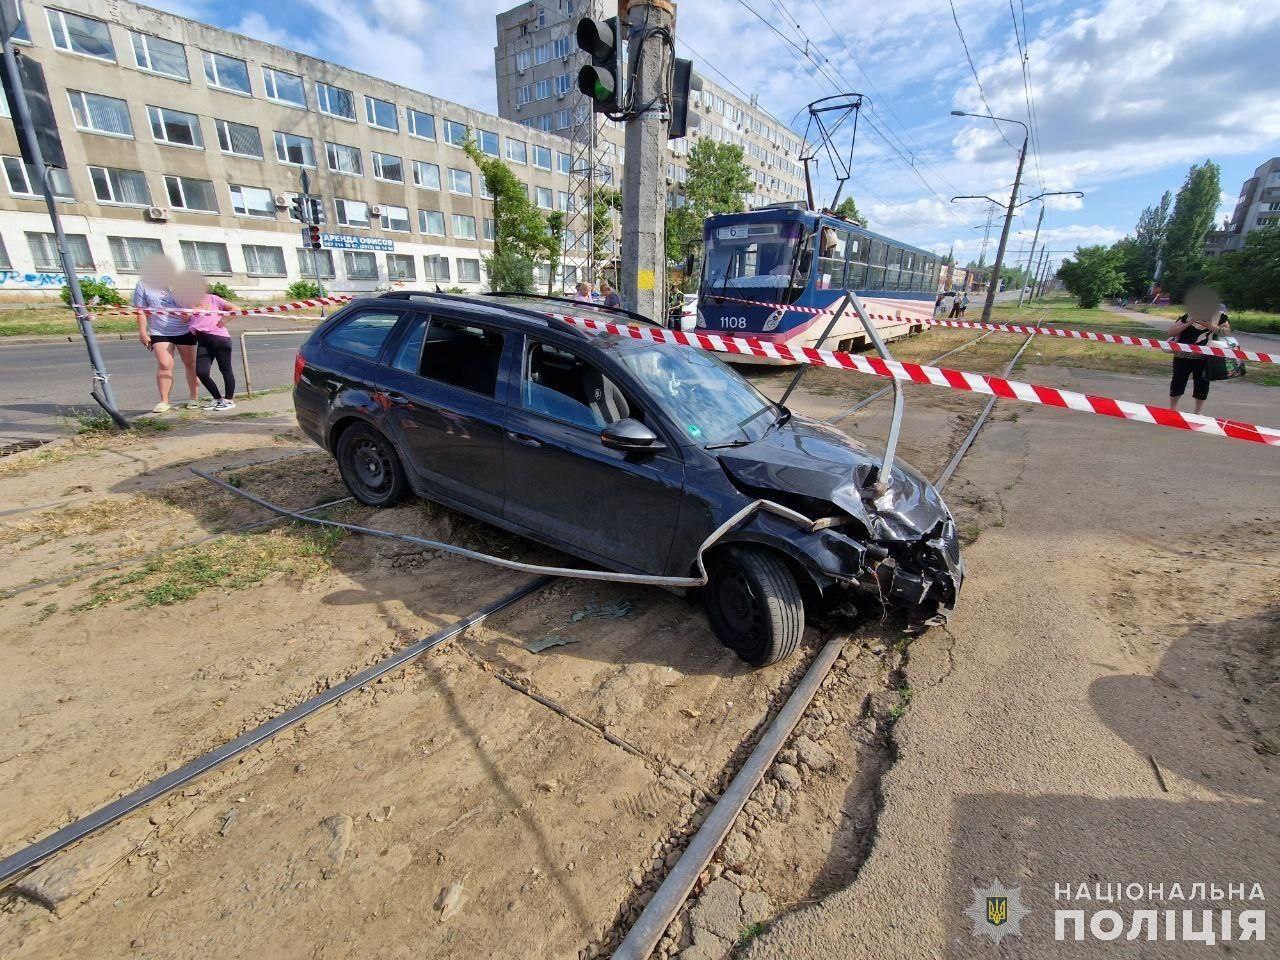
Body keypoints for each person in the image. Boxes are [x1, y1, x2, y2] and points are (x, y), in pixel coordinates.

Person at [133, 255, 199, 413]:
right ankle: (164, 400)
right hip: (160, 330)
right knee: (164, 364)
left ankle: (194, 397)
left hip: (184, 330)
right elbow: (141, 311)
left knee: (190, 363)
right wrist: (143, 333)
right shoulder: (143, 285)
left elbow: (192, 305)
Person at [172, 272, 236, 411]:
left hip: (219, 338)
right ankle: (218, 399)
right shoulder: (188, 303)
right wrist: (190, 310)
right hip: (202, 340)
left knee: (225, 369)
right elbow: (183, 319)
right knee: (201, 372)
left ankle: (229, 400)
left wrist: (223, 321)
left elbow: (235, 309)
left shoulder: (213, 299)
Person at [1167, 286, 1230, 415]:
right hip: (1182, 355)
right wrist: (1188, 323)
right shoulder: (1187, 316)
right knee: (1178, 381)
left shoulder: (1220, 317)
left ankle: (1198, 411)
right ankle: (1172, 409)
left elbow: (1226, 333)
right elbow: (1171, 331)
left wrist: (1210, 326)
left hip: (1205, 357)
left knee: (1202, 383)